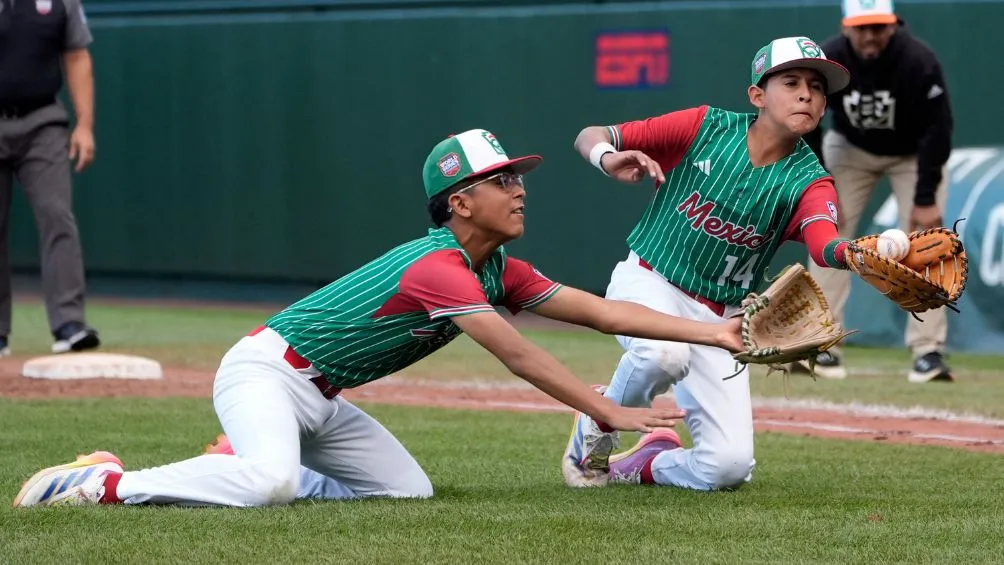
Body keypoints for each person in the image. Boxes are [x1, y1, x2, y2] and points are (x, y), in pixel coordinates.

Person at [14, 128, 747, 508]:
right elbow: (517, 353)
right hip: (267, 374)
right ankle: (108, 481)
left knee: (406, 492)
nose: (519, 189)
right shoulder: (436, 265)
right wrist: (600, 408)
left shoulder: (497, 267)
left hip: (322, 399)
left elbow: (600, 310)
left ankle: (235, 463)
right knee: (270, 483)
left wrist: (712, 331)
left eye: (517, 177)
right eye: (501, 180)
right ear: (458, 201)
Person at [562, 36, 855, 491]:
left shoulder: (810, 180)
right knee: (663, 354)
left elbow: (824, 245)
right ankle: (597, 426)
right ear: (757, 95)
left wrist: (858, 254)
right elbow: (590, 135)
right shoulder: (705, 127)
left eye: (817, 88)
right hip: (650, 282)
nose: (807, 94)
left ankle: (643, 464)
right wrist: (607, 157)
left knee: (727, 468)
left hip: (723, 321)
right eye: (792, 82)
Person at [801, 0, 955, 383]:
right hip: (851, 149)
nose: (870, 35)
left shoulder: (917, 60)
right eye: (862, 27)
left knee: (929, 242)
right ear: (846, 27)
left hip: (913, 154)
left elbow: (939, 129)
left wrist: (924, 198)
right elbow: (809, 117)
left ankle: (928, 351)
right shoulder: (831, 57)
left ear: (892, 25)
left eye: (878, 26)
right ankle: (821, 343)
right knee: (827, 232)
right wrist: (818, 176)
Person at [0, 0, 100, 356]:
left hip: (42, 121)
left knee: (57, 215)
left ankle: (69, 324)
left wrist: (85, 126)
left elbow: (76, 55)